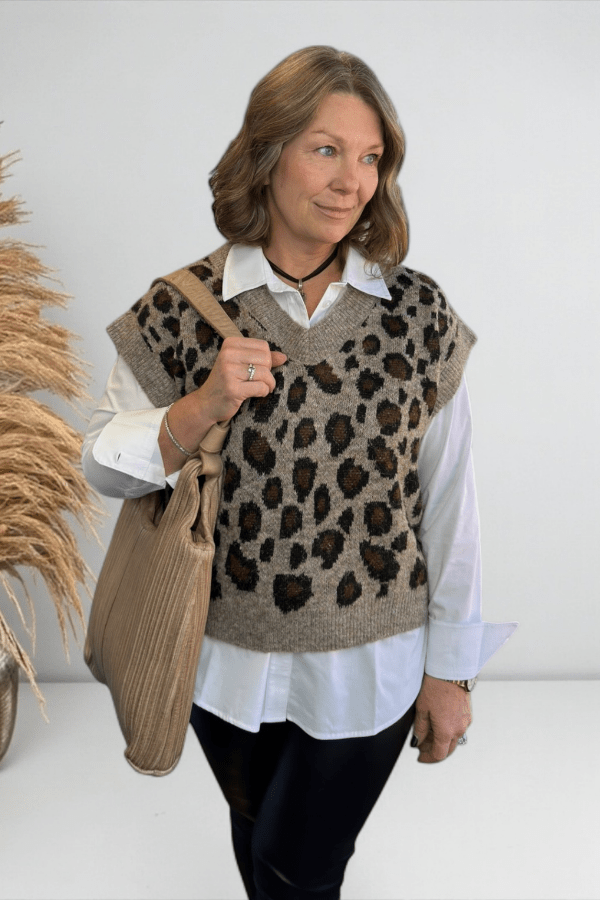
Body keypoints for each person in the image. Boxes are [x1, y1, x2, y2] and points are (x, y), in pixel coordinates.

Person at [82, 46, 516, 900]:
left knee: (293, 878)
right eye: (325, 149)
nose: (352, 180)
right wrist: (199, 407)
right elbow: (103, 467)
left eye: (371, 157)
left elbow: (450, 503)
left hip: (374, 667)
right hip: (215, 669)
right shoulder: (178, 309)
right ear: (266, 152)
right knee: (264, 868)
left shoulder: (419, 317)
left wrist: (451, 671)